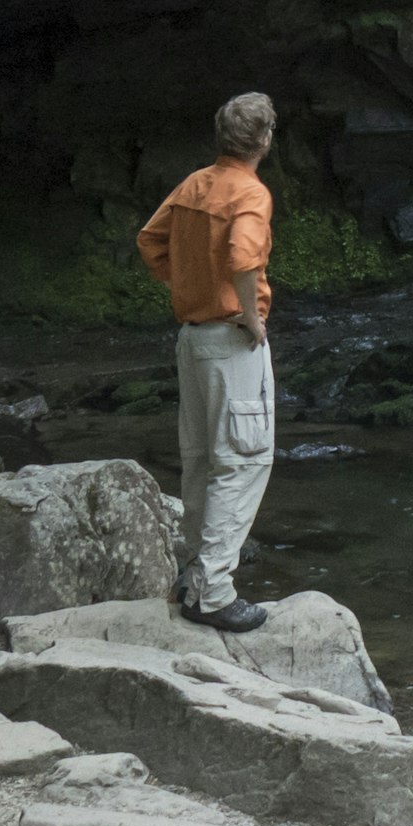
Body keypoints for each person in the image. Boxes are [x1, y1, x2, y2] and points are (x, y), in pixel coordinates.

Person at [136, 92, 278, 632]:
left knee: (199, 460)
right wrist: (251, 316)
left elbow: (150, 241)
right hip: (230, 343)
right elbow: (243, 257)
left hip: (192, 340)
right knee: (242, 462)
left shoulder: (196, 183)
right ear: (264, 140)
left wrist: (187, 282)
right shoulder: (250, 192)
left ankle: (192, 576)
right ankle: (213, 593)